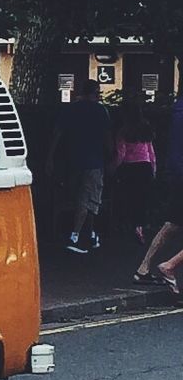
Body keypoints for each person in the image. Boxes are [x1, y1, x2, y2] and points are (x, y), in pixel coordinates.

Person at [47, 78, 112, 254]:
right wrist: (112, 155)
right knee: (89, 199)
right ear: (95, 92)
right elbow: (107, 137)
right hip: (94, 160)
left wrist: (51, 157)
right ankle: (75, 236)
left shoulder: (70, 110)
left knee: (80, 197)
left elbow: (58, 134)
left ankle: (89, 233)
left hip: (72, 160)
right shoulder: (101, 111)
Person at [135, 89, 183, 285]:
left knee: (172, 224)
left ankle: (143, 268)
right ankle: (170, 266)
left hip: (176, 171)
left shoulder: (177, 109)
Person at [112, 100, 156, 243]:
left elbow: (121, 153)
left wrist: (114, 167)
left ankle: (129, 226)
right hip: (145, 166)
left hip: (129, 168)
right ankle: (140, 226)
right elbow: (151, 151)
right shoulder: (146, 129)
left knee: (130, 198)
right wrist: (154, 168)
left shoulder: (123, 131)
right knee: (143, 199)